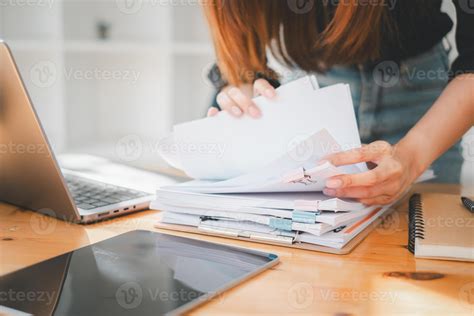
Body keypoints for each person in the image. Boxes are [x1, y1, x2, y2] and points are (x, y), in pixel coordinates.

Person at [202, 0, 474, 205]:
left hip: (424, 101)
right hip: (310, 90)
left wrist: (412, 158)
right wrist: (245, 89)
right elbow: (242, 38)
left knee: (421, 249)